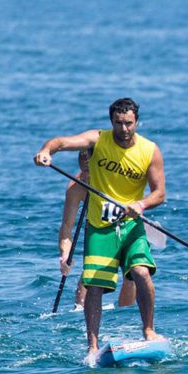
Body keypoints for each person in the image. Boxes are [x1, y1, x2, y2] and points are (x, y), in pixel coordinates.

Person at [34, 98, 165, 358]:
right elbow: (60, 142)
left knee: (140, 272)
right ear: (111, 122)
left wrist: (140, 204)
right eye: (119, 123)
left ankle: (149, 331)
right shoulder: (98, 139)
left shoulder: (150, 150)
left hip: (130, 225)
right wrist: (46, 151)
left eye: (129, 123)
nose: (124, 129)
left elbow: (159, 194)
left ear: (137, 121)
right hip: (100, 228)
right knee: (93, 286)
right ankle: (92, 347)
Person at [58, 148, 137, 309]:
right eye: (84, 171)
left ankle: (124, 316)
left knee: (131, 273)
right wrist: (65, 253)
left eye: (91, 171)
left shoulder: (118, 178)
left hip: (124, 222)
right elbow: (67, 226)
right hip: (95, 224)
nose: (87, 177)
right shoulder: (76, 187)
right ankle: (79, 312)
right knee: (91, 269)